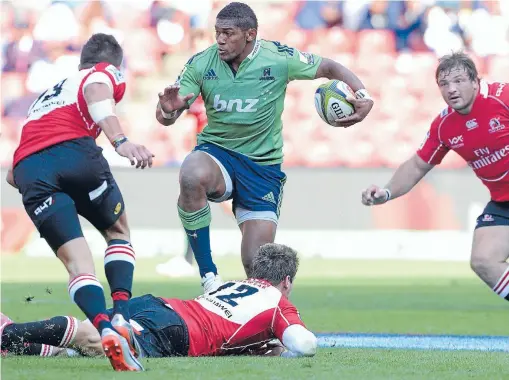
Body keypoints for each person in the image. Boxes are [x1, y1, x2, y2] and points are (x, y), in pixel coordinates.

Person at [155, 2, 374, 292]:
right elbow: (165, 115)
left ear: (250, 34)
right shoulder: (201, 63)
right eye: (217, 32)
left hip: (261, 168)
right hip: (218, 153)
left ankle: (271, 325)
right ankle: (209, 277)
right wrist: (168, 111)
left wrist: (362, 95)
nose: (220, 40)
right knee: (191, 172)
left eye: (228, 33)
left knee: (257, 267)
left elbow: (329, 67)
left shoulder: (278, 58)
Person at [5, 33, 155, 372]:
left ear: (79, 62)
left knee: (78, 265)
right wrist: (120, 141)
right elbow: (97, 90)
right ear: (113, 64)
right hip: (74, 152)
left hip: (29, 170)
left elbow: (13, 176)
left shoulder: (45, 97)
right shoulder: (102, 73)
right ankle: (121, 316)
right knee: (117, 232)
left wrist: (41, 184)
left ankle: (103, 329)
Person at [361, 52, 509, 302]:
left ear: (475, 81)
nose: (451, 89)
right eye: (444, 84)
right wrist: (385, 193)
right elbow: (418, 165)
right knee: (484, 260)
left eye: (459, 81)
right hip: (502, 201)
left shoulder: (502, 97)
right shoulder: (444, 126)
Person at [1, 243, 317, 359]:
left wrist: (256, 346)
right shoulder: (279, 304)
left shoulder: (235, 285)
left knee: (80, 343)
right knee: (92, 341)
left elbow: (230, 327)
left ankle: (12, 342)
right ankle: (7, 333)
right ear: (287, 280)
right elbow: (303, 344)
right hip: (176, 331)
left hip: (159, 306)